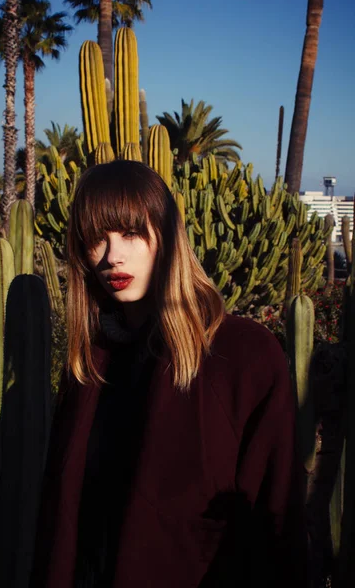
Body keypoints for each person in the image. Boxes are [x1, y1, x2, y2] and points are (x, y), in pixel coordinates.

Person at [30, 160, 309, 588]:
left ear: (167, 236)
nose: (112, 257)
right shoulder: (87, 367)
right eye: (95, 240)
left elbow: (276, 522)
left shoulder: (243, 355)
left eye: (130, 233)